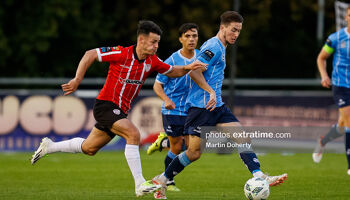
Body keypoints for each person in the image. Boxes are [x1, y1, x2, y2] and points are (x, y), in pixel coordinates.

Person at [30, 20, 207, 197]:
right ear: (141, 41)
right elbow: (89, 54)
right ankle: (139, 184)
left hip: (120, 110)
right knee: (133, 134)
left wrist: (187, 67)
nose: (156, 46)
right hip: (106, 105)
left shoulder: (152, 61)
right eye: (153, 42)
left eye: (158, 42)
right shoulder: (121, 53)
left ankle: (50, 147)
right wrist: (77, 79)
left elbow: (172, 71)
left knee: (89, 148)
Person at [151, 11, 288, 199]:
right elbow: (193, 72)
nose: (236, 34)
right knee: (193, 153)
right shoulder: (213, 46)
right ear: (223, 27)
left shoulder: (221, 46)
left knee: (242, 138)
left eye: (239, 31)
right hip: (201, 108)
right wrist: (210, 91)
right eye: (233, 30)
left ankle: (259, 175)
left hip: (217, 107)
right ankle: (162, 180)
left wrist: (214, 95)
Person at [148, 23, 200, 193]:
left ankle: (163, 143)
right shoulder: (172, 60)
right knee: (177, 147)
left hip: (192, 109)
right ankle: (167, 180)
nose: (191, 39)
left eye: (194, 36)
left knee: (192, 148)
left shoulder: (201, 58)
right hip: (173, 109)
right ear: (180, 39)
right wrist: (166, 99)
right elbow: (157, 85)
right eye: (187, 36)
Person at [313, 6, 350, 176]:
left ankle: (323, 140)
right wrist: (324, 76)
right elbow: (321, 58)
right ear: (346, 18)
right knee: (349, 120)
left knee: (344, 124)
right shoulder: (336, 38)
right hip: (340, 85)